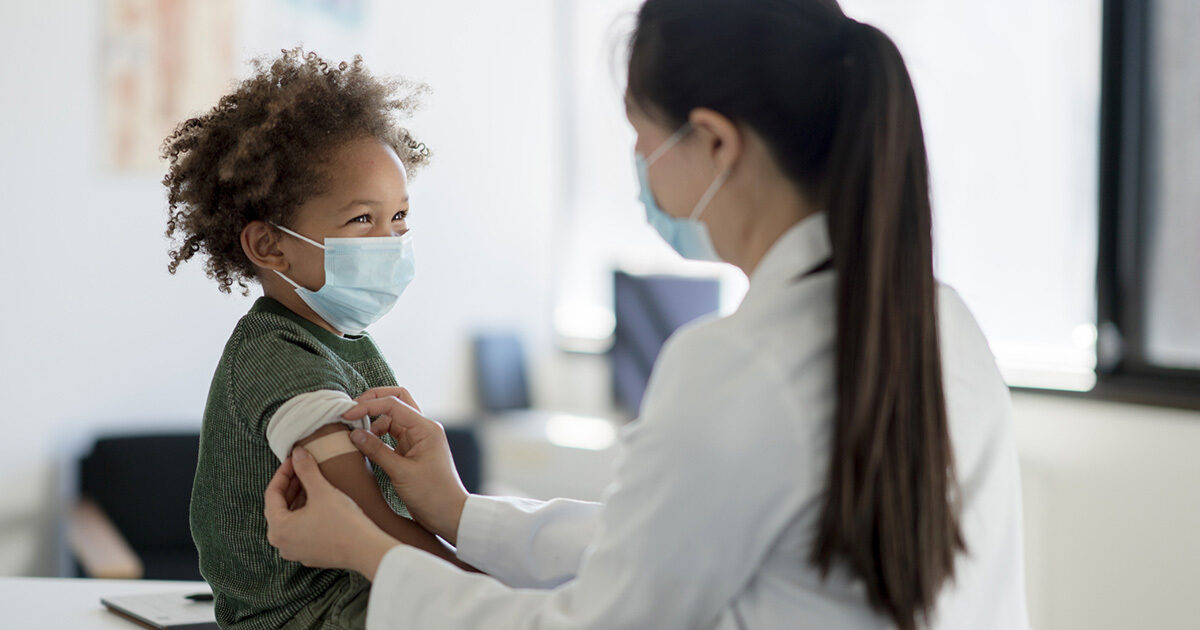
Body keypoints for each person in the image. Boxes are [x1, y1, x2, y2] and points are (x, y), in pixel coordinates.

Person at [263, 1, 1030, 628]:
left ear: (717, 142)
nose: (640, 172)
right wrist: (460, 513)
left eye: (642, 141)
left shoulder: (739, 362)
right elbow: (664, 543)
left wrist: (368, 553)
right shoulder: (944, 321)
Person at [164, 48, 471, 629]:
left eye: (399, 217)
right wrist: (493, 589)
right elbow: (369, 520)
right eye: (362, 220)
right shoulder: (277, 356)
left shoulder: (344, 338)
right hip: (309, 616)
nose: (391, 241)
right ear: (269, 246)